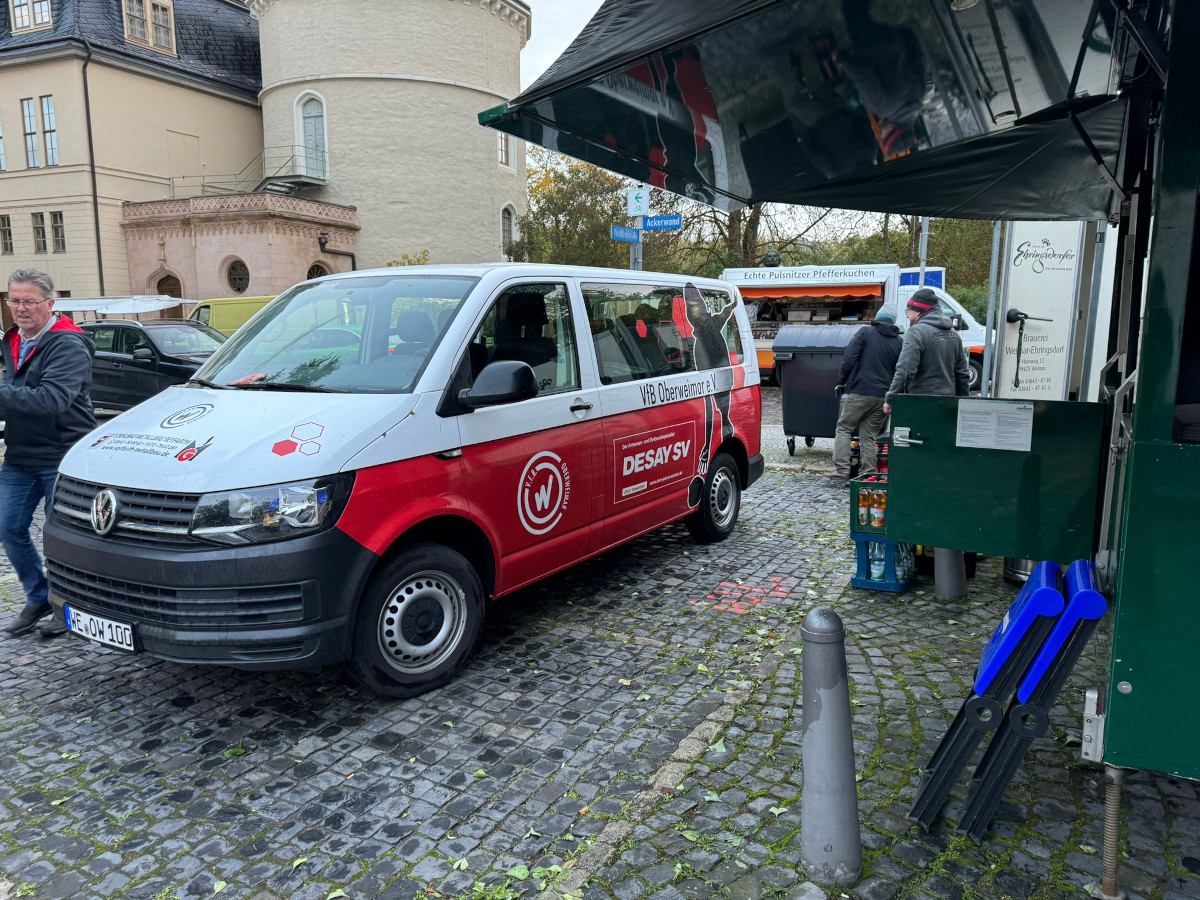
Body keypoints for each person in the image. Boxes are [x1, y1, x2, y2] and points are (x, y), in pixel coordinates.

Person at [0, 269, 95, 638]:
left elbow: (51, 400)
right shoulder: (13, 339)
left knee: (62, 540)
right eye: (14, 301)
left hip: (64, 456)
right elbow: (16, 397)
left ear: (50, 304)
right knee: (8, 529)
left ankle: (69, 610)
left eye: (29, 301)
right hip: (21, 456)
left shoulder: (67, 343)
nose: (20, 309)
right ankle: (39, 596)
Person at [820, 300, 903, 480]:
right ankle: (867, 474)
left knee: (844, 427)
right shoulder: (898, 342)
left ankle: (842, 469)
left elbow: (849, 359)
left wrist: (841, 382)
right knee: (869, 436)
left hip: (862, 391)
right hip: (884, 397)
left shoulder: (865, 332)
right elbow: (901, 370)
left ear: (878, 317)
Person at [883, 288, 970, 416]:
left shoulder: (916, 332)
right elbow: (962, 373)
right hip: (948, 403)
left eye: (908, 310)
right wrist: (963, 402)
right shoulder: (954, 334)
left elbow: (906, 370)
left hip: (919, 403)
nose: (907, 315)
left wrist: (890, 398)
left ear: (918, 311)